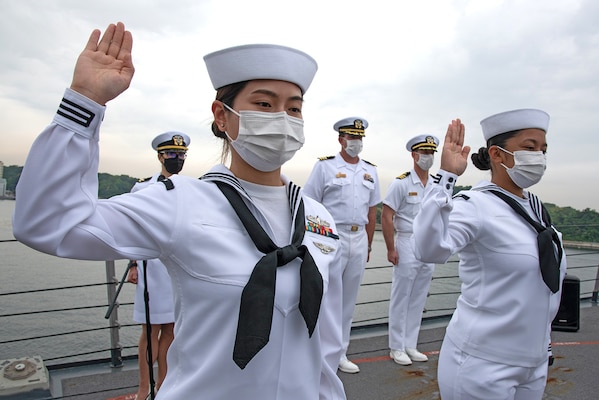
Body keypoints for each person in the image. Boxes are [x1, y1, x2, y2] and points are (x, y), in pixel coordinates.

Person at [13, 22, 346, 400]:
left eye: (294, 109)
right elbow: (48, 223)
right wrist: (84, 102)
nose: (282, 119)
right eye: (264, 104)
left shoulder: (318, 218)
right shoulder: (181, 202)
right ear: (222, 116)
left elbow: (326, 342)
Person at [413, 111, 566, 399]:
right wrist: (446, 177)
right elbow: (427, 249)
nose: (539, 157)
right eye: (530, 148)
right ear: (498, 154)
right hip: (483, 362)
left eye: (543, 150)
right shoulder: (476, 205)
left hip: (533, 362)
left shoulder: (535, 208)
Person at [303, 117, 381, 374]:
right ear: (341, 139)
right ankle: (319, 353)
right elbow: (309, 206)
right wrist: (314, 243)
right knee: (327, 298)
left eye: (359, 138)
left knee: (348, 300)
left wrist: (369, 245)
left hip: (358, 239)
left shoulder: (371, 171)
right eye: (351, 137)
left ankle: (340, 352)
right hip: (331, 237)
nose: (356, 142)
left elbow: (372, 212)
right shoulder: (325, 167)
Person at [125, 131, 190, 399]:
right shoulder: (143, 188)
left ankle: (163, 386)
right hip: (151, 268)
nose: (177, 159)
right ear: (160, 156)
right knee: (150, 331)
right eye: (172, 154)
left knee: (172, 330)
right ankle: (144, 388)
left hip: (175, 268)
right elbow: (130, 230)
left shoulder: (188, 189)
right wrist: (132, 264)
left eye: (181, 155)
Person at [382, 134, 439, 366]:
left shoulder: (435, 184)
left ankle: (410, 344)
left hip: (427, 245)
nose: (428, 157)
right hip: (405, 242)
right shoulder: (401, 183)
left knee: (418, 296)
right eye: (424, 153)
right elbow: (387, 216)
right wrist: (390, 248)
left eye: (431, 153)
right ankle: (396, 347)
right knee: (402, 295)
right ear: (414, 155)